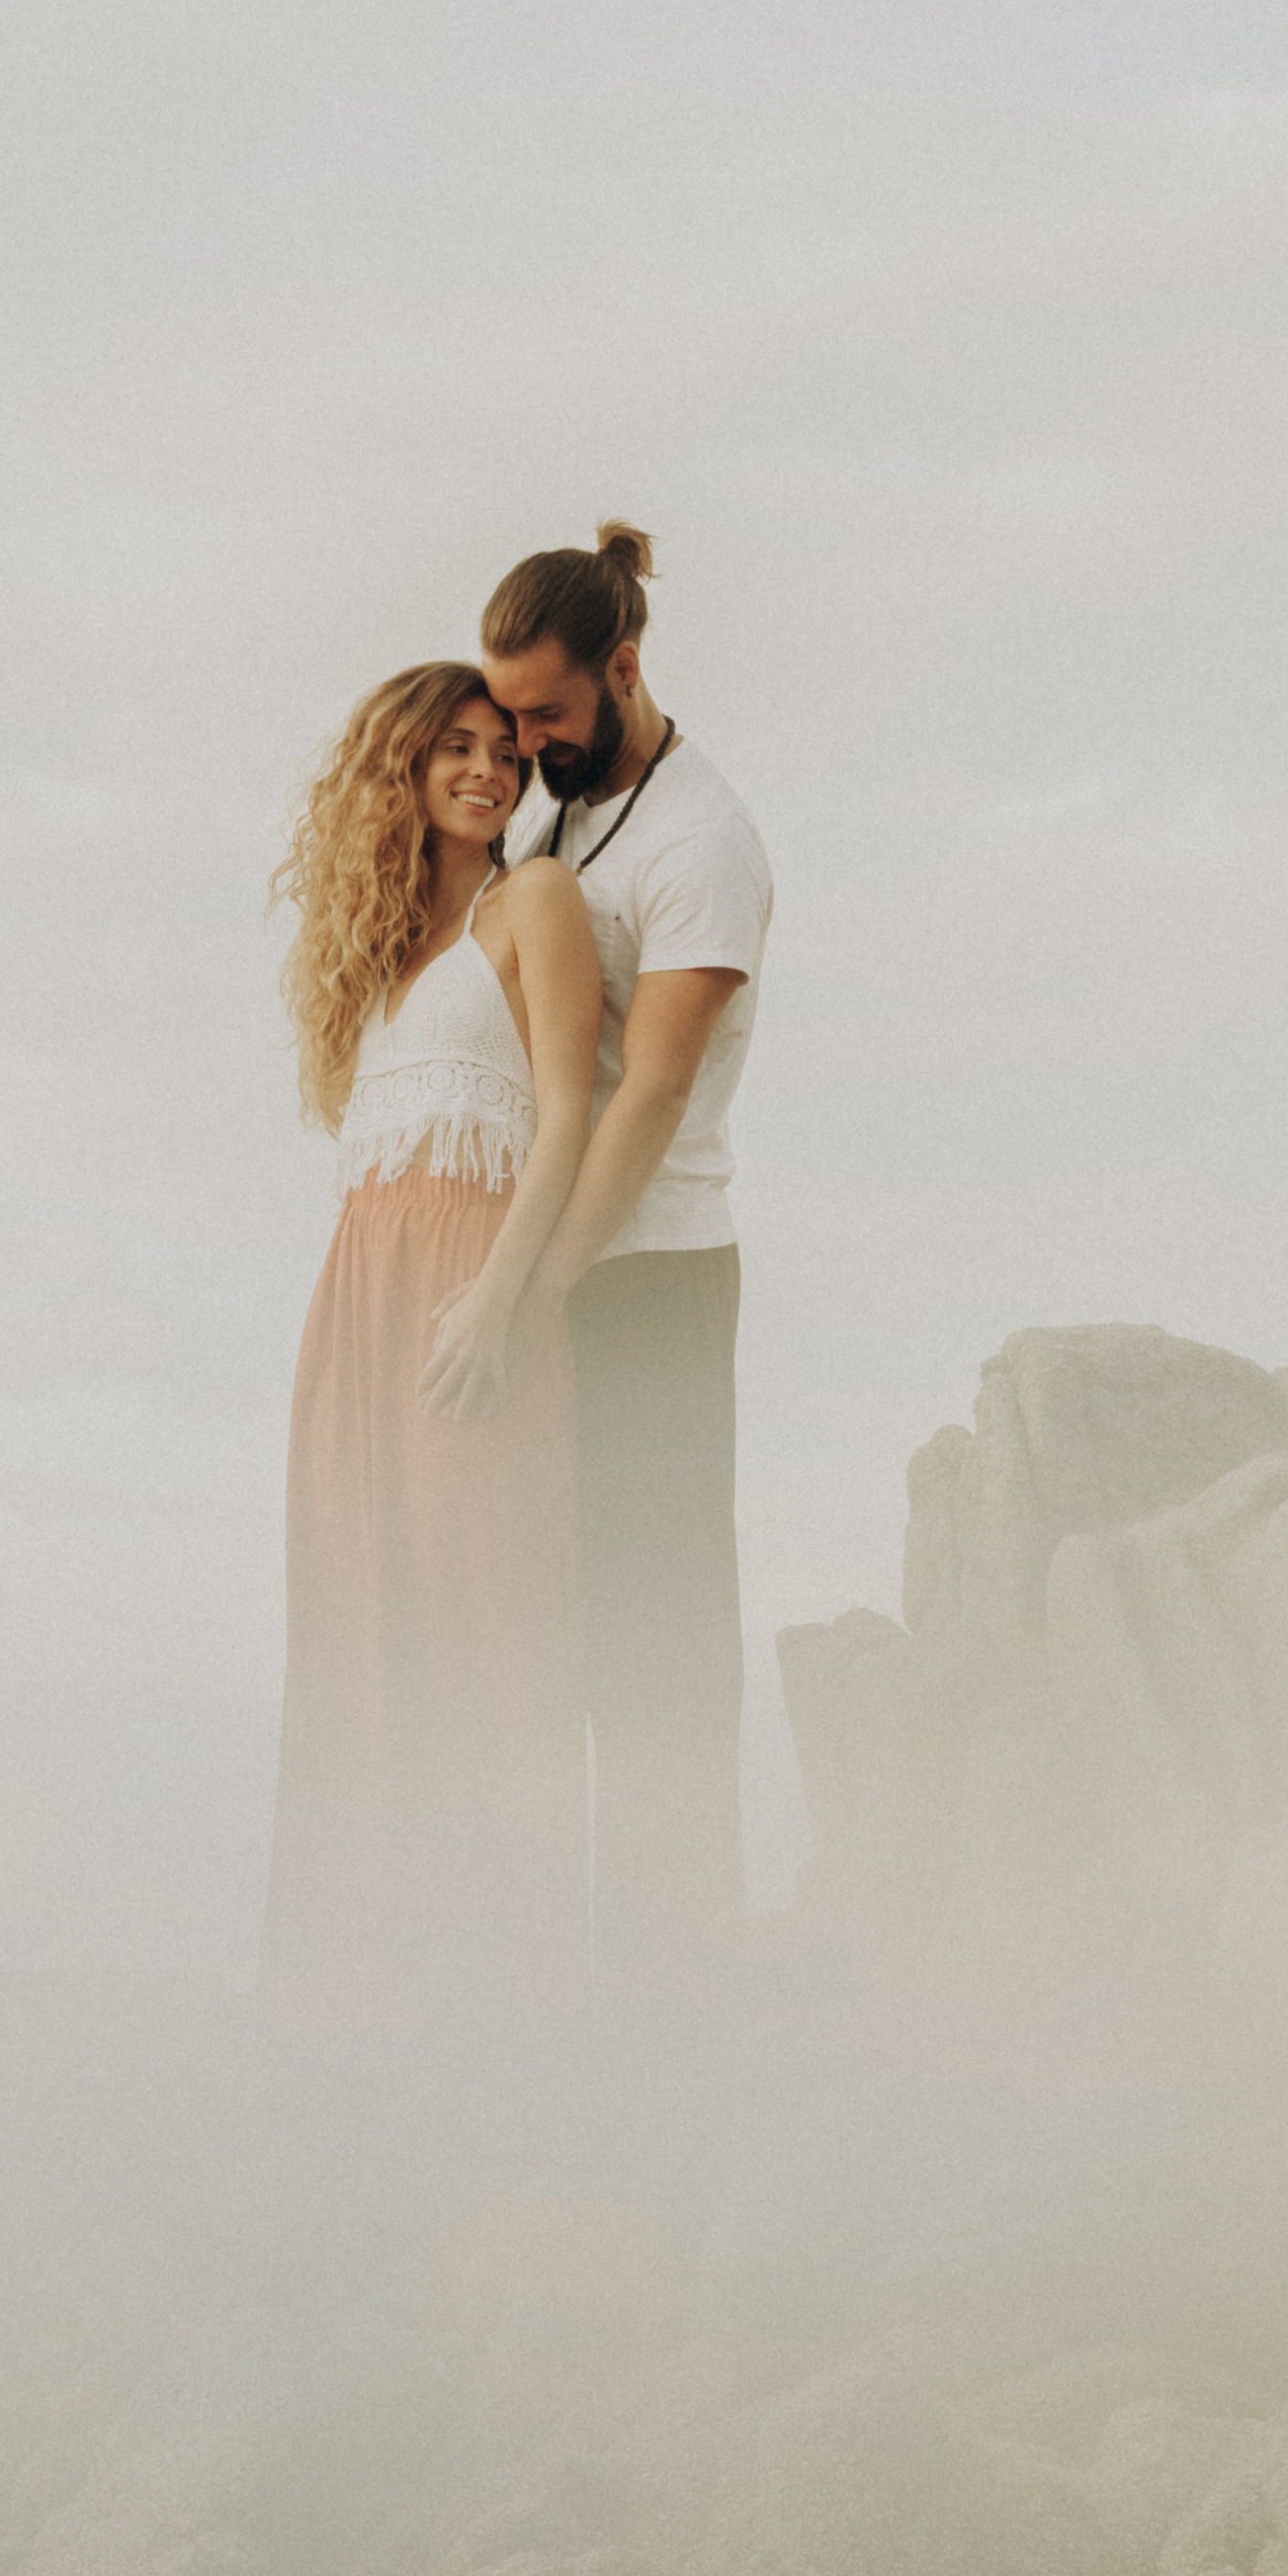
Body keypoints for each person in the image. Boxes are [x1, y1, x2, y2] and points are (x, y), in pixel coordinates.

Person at [260, 660, 603, 2035]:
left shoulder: (537, 904)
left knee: (488, 1616)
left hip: (475, 1297)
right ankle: (359, 1988)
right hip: (357, 1309)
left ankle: (504, 1999)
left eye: (500, 752)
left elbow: (572, 1117)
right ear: (396, 768)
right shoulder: (380, 955)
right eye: (452, 748)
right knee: (361, 1627)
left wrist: (502, 1300)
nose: (484, 771)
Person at [481, 523, 773, 2004]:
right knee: (564, 1615)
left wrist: (546, 1294)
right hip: (557, 1265)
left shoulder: (700, 841)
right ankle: (588, 1953)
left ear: (626, 666)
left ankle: (691, 1962)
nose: (526, 742)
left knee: (662, 1630)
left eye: (547, 713)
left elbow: (648, 1098)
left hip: (651, 1277)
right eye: (509, 714)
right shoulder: (557, 808)